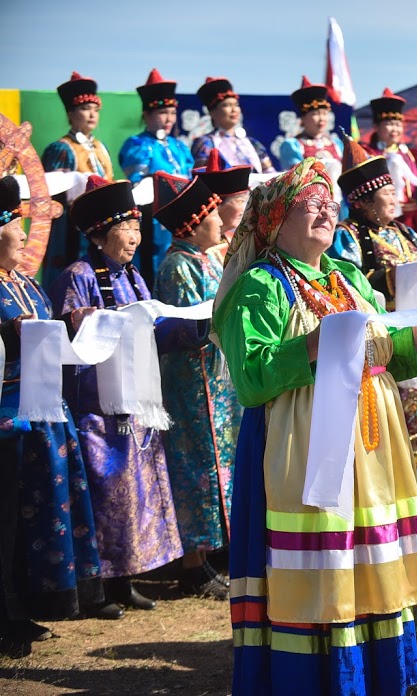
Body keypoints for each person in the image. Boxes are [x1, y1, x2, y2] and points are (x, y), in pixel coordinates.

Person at [213, 158, 417, 694]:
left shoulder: (349, 277)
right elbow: (250, 379)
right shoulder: (260, 287)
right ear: (274, 221)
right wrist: (313, 344)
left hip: (371, 440)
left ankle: (377, 671)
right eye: (310, 203)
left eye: (328, 201)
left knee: (366, 549)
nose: (326, 209)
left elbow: (381, 349)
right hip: (304, 443)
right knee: (322, 551)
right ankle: (316, 678)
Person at [49, 177, 186, 611]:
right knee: (103, 493)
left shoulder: (134, 277)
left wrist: (191, 324)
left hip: (136, 401)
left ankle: (126, 579)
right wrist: (91, 319)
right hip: (97, 407)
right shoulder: (79, 275)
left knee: (134, 491)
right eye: (127, 229)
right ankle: (95, 588)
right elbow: (70, 334)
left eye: (137, 229)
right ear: (101, 233)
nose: (135, 237)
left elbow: (154, 328)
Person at [0, 177, 121, 657]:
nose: (23, 234)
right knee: (6, 517)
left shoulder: (26, 283)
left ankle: (25, 605)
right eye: (14, 225)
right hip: (9, 415)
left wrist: (74, 326)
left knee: (37, 516)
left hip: (47, 411)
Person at [333, 141, 417, 474]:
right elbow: (349, 285)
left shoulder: (406, 232)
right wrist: (395, 280)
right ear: (363, 201)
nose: (395, 197)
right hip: (382, 337)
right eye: (387, 192)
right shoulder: (348, 236)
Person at [153, 172, 239, 601]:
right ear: (192, 224)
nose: (222, 224)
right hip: (191, 380)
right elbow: (182, 324)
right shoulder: (177, 265)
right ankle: (191, 564)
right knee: (195, 466)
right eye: (213, 217)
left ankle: (214, 553)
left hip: (218, 377)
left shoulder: (208, 259)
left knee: (221, 460)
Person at [118, 68, 196, 279]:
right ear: (147, 115)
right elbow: (138, 184)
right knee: (154, 264)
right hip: (154, 220)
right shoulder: (138, 145)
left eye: (172, 113)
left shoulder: (179, 146)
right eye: (163, 113)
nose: (169, 119)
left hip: (182, 219)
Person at [42, 71, 115, 289]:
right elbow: (52, 190)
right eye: (84, 109)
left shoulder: (100, 148)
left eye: (95, 110)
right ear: (70, 114)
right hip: (69, 227)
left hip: (100, 223)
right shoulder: (61, 148)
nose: (92, 115)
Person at [364, 88, 417, 232]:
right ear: (376, 126)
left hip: (411, 218)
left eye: (398, 124)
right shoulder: (368, 154)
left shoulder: (412, 154)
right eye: (389, 124)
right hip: (381, 217)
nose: (395, 129)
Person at [191, 77, 274, 173]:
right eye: (227, 105)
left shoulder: (252, 143)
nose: (234, 110)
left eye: (236, 105)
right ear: (212, 112)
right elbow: (203, 176)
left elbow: (269, 172)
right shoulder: (206, 142)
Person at [192, 149, 252, 257]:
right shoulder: (195, 253)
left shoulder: (235, 239)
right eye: (240, 201)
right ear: (216, 206)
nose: (244, 208)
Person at [279, 76, 344, 168]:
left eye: (325, 113)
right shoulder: (293, 145)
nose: (322, 118)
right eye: (315, 114)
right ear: (303, 118)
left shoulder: (337, 144)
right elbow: (294, 177)